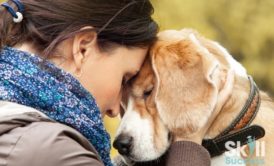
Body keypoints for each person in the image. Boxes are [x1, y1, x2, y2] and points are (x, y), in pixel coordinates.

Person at [0, 0, 234, 166]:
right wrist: (188, 142)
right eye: (124, 79)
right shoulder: (51, 150)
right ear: (82, 48)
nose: (115, 111)